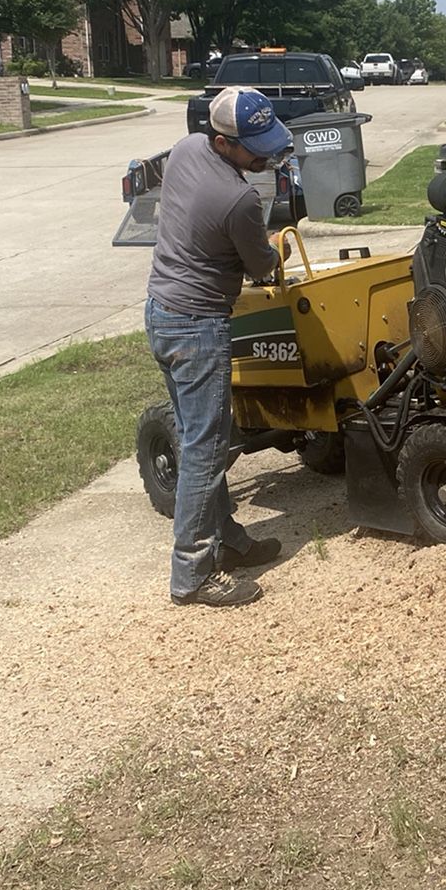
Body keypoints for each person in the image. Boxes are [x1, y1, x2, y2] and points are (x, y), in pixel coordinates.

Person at [145, 86, 293, 607]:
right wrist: (274, 251)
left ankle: (226, 538)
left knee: (196, 439)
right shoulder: (239, 200)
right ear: (223, 141)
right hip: (198, 326)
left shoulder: (186, 150)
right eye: (255, 149)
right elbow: (261, 266)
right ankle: (192, 574)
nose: (264, 157)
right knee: (206, 451)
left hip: (161, 312)